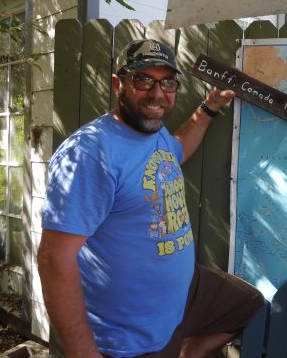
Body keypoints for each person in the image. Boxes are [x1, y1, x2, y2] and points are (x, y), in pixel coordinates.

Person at [37, 39, 264, 358]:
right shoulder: (90, 153)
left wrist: (209, 107)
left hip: (184, 296)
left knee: (248, 305)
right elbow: (53, 258)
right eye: (143, 79)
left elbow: (178, 149)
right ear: (119, 84)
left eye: (167, 82)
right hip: (133, 333)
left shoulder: (153, 131)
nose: (157, 93)